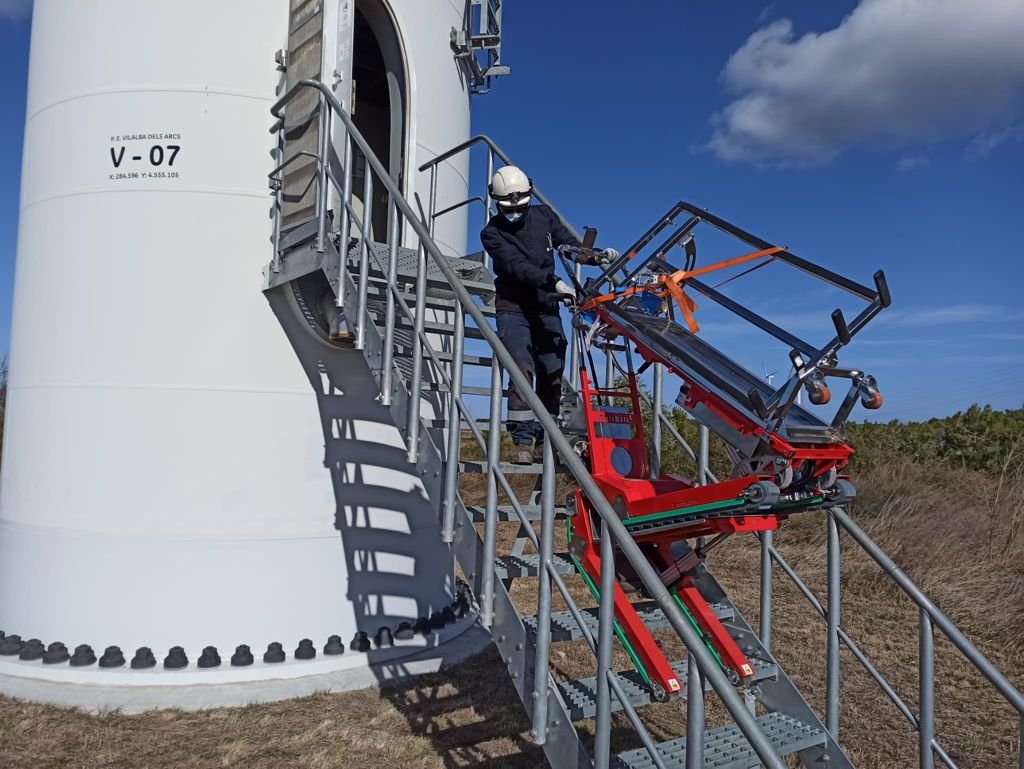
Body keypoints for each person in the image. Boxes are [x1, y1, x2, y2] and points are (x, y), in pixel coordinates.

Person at [480, 165, 619, 464]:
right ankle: (522, 441)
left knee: (552, 369)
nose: (514, 213)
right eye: (508, 208)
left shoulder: (544, 216)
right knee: (521, 368)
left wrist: (593, 256)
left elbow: (566, 242)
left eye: (520, 207)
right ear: (496, 203)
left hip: (546, 306)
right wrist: (553, 282)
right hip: (513, 307)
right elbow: (517, 267)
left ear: (529, 197)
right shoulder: (491, 234)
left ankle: (547, 437)